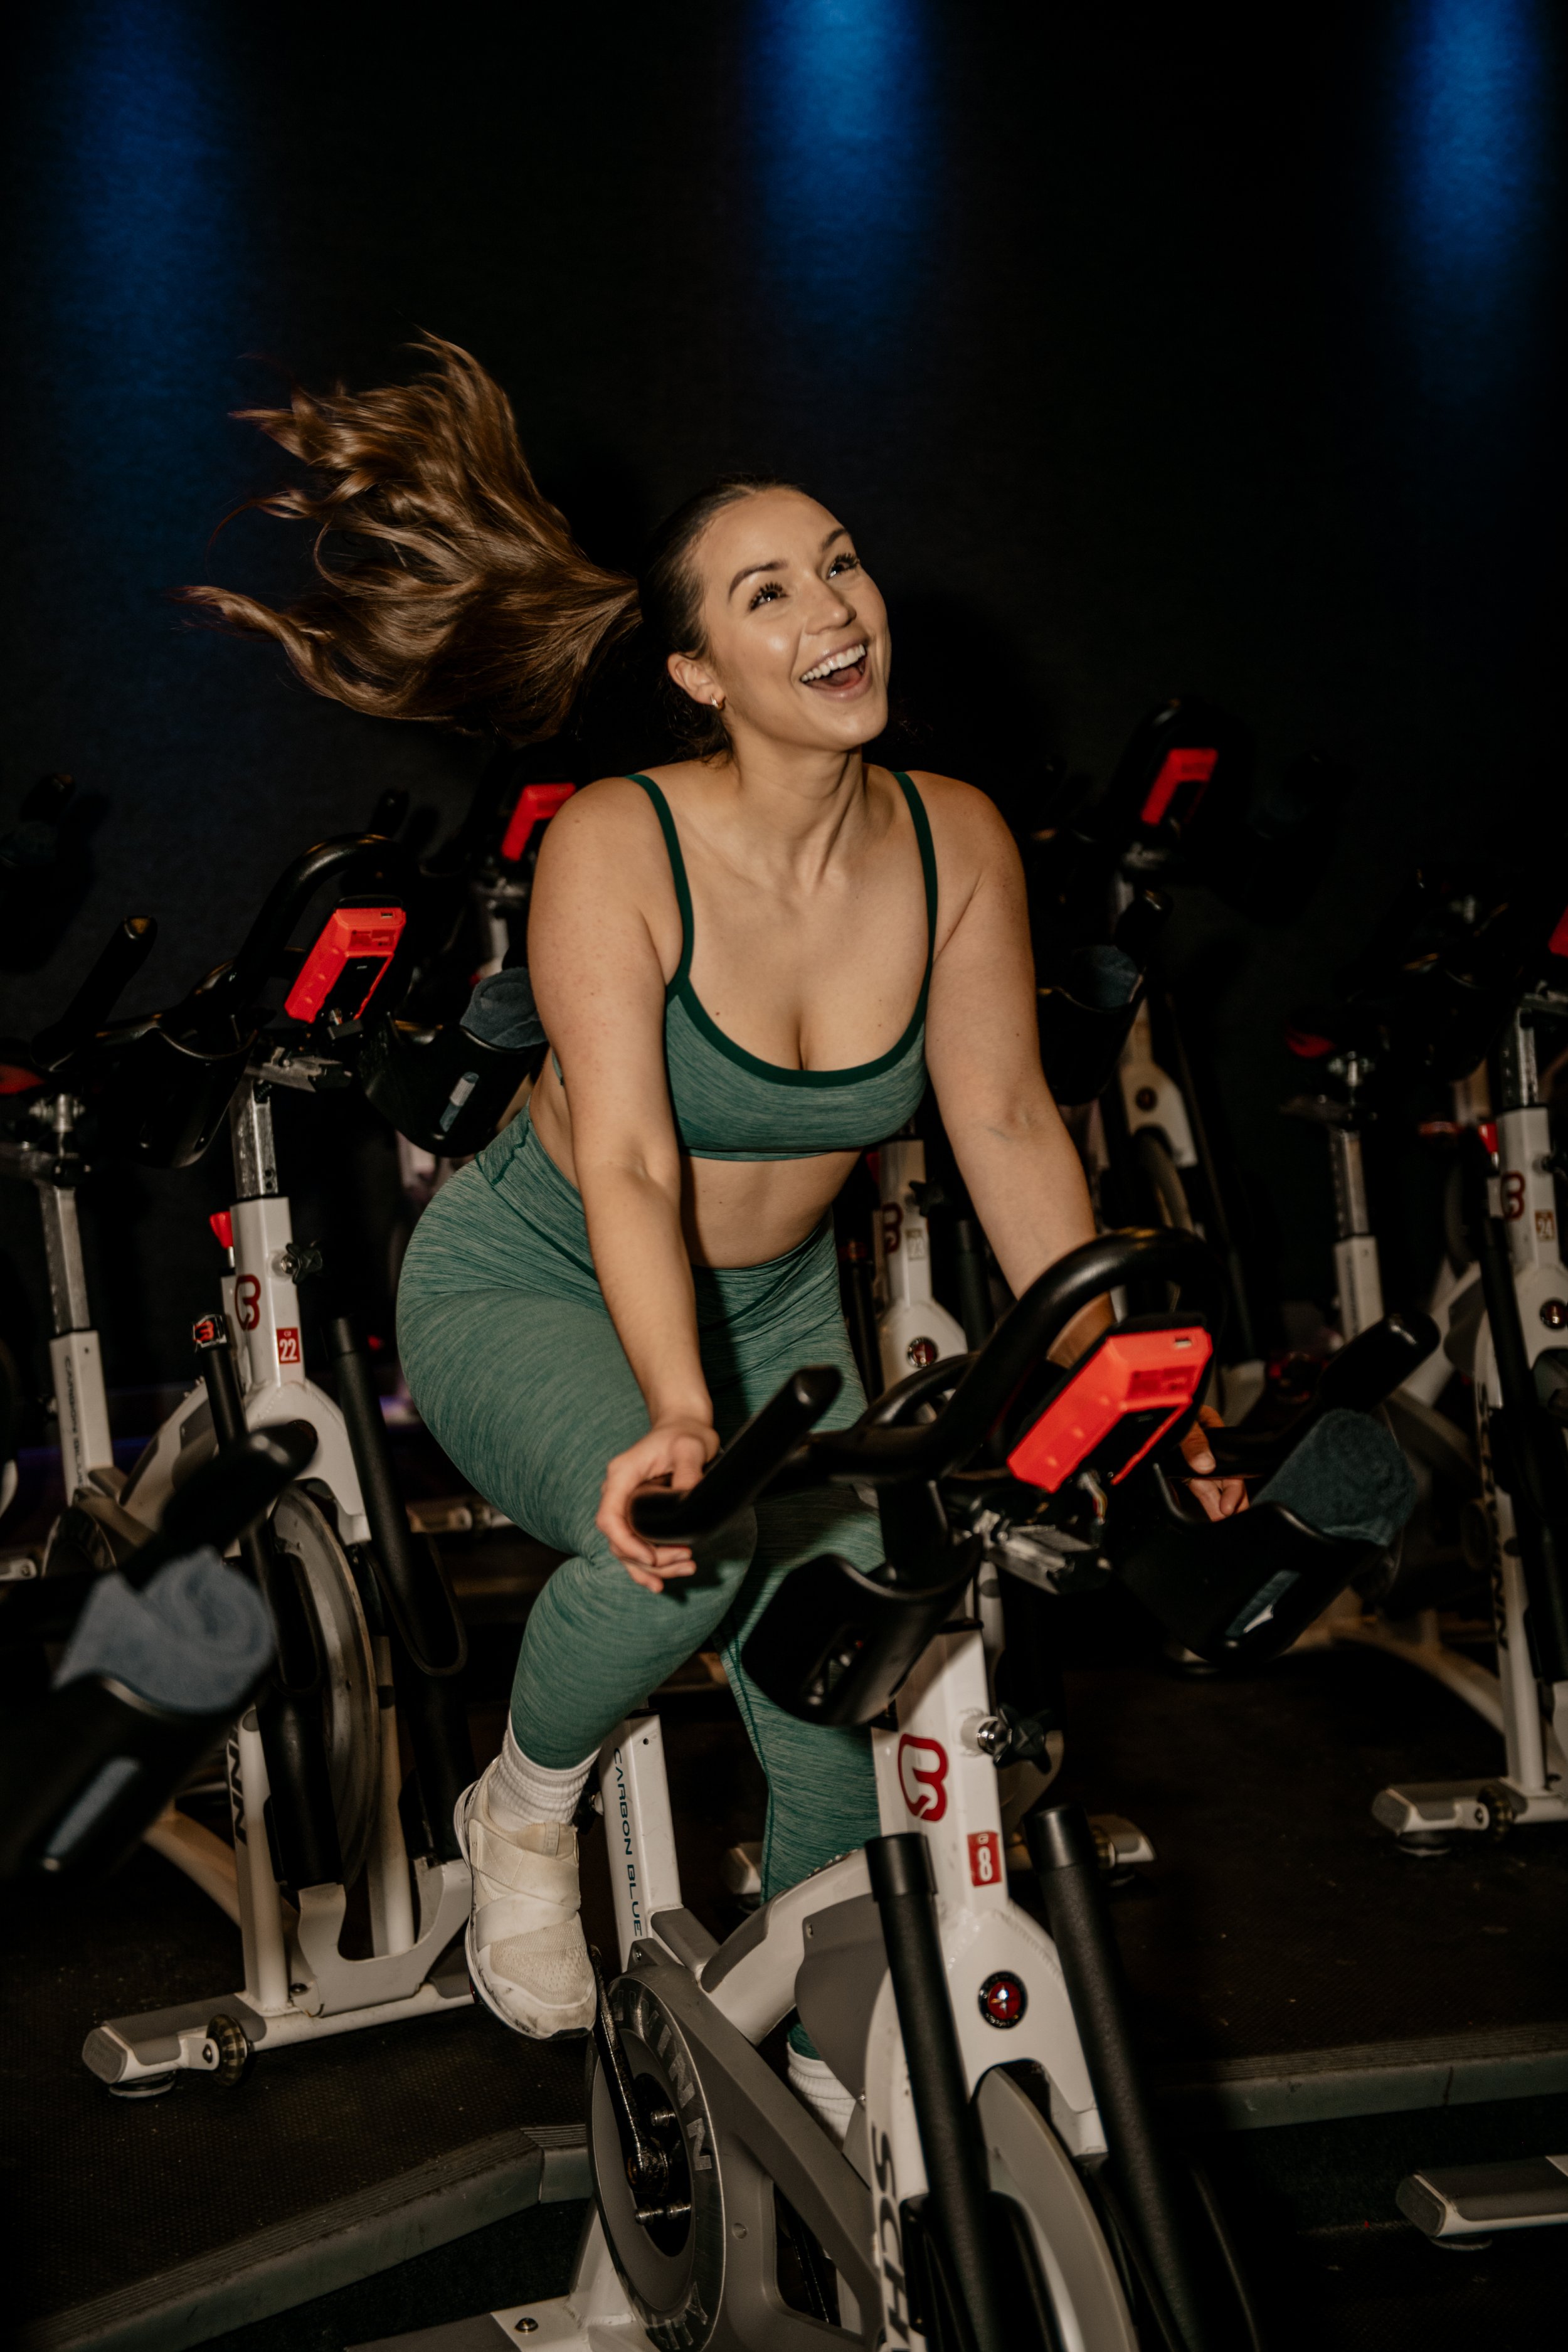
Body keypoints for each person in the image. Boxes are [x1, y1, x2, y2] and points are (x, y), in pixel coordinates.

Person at [185, 339, 1242, 2110]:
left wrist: (1130, 1368)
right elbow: (631, 1165)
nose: (835, 609)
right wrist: (674, 1411)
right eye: (770, 592)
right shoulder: (619, 842)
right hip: (536, 1280)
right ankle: (520, 1811)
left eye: (840, 562)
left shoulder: (958, 839)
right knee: (690, 1540)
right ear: (696, 670)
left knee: (843, 1688)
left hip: (777, 1315)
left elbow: (999, 1122)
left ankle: (855, 2109)